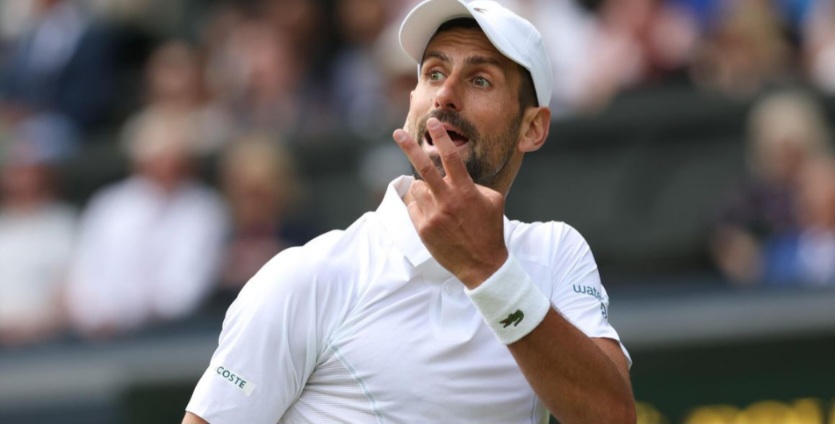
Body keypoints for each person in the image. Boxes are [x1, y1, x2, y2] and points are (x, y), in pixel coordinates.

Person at [183, 1, 635, 423]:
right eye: (434, 73)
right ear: (411, 104)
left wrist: (488, 269)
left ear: (532, 127)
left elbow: (613, 416)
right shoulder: (308, 277)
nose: (446, 95)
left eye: (480, 80)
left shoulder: (556, 252)